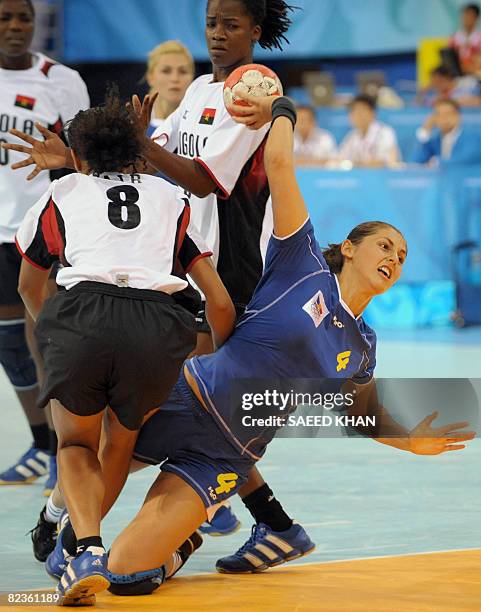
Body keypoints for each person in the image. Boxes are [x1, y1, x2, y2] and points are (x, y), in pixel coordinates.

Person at [45, 95, 474, 605]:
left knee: (127, 575)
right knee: (87, 465)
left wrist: (409, 442)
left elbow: (363, 414)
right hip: (184, 398)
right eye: (385, 246)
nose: (394, 259)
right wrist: (283, 111)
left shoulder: (362, 346)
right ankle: (63, 535)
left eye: (402, 257)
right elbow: (278, 164)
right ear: (352, 248)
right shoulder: (302, 263)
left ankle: (179, 542)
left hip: (225, 455)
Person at [4, 0, 316, 571]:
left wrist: (132, 144)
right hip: (178, 270)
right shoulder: (199, 90)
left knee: (186, 411)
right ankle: (268, 522)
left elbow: (199, 177)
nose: (218, 36)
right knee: (192, 409)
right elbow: (146, 165)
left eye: (231, 25)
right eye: (211, 25)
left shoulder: (255, 96)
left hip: (227, 268)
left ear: (255, 29)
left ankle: (81, 536)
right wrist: (77, 160)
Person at [13, 88, 235, 605]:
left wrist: (57, 331)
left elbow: (29, 284)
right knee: (122, 440)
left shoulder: (64, 192)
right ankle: (75, 547)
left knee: (74, 444)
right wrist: (221, 361)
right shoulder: (169, 197)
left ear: (79, 155)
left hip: (82, 314)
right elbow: (219, 302)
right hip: (157, 326)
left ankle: (85, 545)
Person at [0, 0, 89, 494]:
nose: (16, 27)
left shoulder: (61, 79)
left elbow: (87, 154)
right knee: (10, 344)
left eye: (24, 18)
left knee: (48, 340)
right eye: (6, 18)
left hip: (43, 228)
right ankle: (41, 443)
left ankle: (63, 449)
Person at [144, 40, 194, 137]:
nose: (175, 78)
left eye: (183, 71)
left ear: (192, 78)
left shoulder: (202, 125)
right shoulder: (133, 126)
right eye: (166, 71)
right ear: (150, 77)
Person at [412, 97, 481, 165]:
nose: (444, 118)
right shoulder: (434, 141)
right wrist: (425, 130)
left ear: (458, 116)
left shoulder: (473, 137)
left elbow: (465, 160)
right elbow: (416, 162)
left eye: (448, 114)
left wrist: (437, 162)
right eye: (439, 115)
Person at [337, 94, 400, 168]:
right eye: (353, 111)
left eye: (361, 111)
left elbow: (386, 162)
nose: (357, 115)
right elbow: (340, 159)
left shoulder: (385, 132)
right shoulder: (352, 136)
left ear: (372, 113)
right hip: (359, 176)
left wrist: (354, 164)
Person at [449, 3, 481, 74]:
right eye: (464, 15)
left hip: (475, 72)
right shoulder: (454, 37)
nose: (466, 19)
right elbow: (449, 58)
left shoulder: (479, 38)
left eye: (470, 16)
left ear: (476, 18)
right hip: (456, 72)